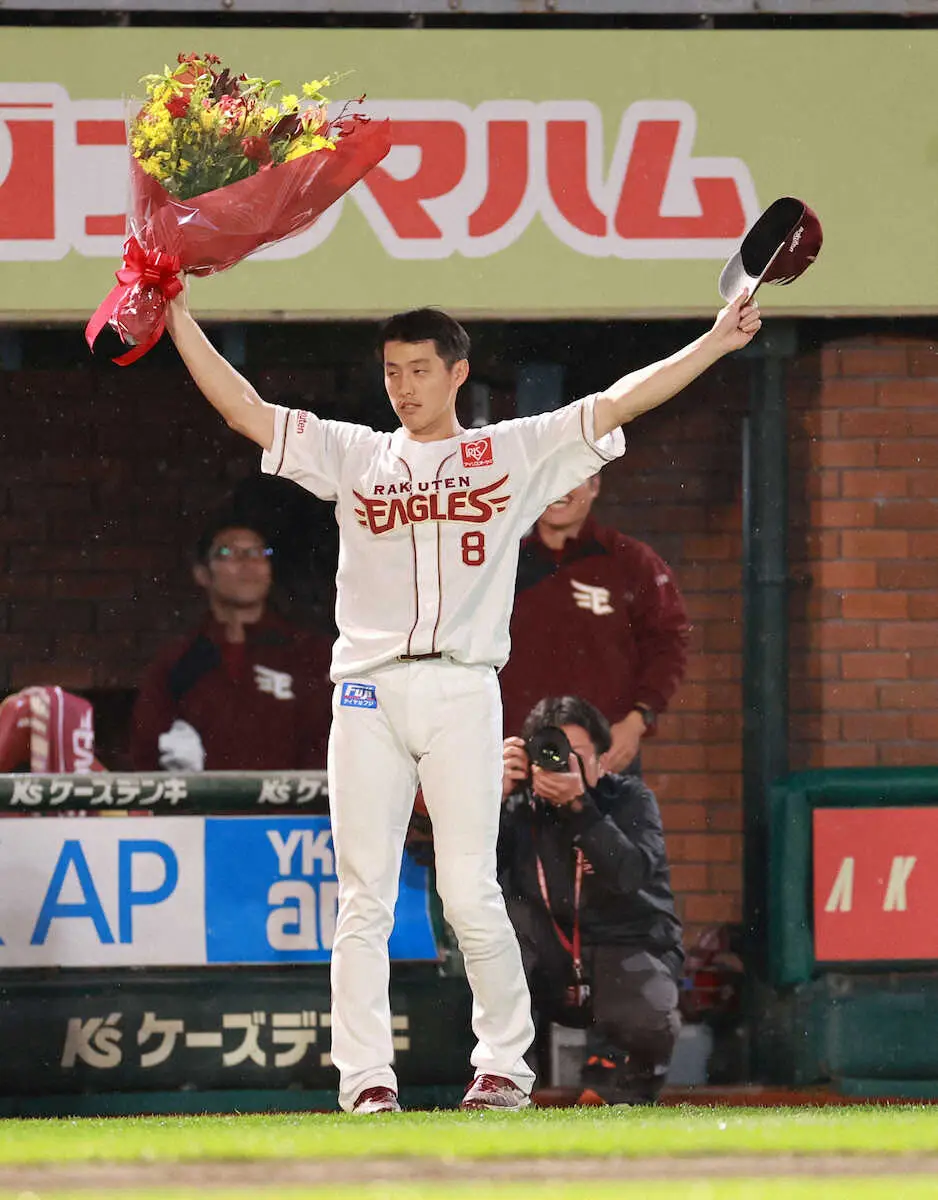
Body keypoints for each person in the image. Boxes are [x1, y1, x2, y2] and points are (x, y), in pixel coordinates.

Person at [163, 283, 760, 1114]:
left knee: (470, 890)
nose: (401, 386)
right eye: (390, 371)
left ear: (457, 374)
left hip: (461, 688)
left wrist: (715, 344)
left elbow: (619, 401)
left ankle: (503, 1072)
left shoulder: (510, 453)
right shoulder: (357, 453)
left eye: (416, 369)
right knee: (364, 896)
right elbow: (245, 410)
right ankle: (367, 1081)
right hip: (367, 691)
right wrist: (177, 318)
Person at [499, 695, 683, 1105]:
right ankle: (505, 1085)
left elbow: (630, 874)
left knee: (646, 1014)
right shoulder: (515, 805)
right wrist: (487, 799)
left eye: (575, 755)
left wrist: (580, 808)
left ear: (602, 762)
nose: (560, 764)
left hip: (626, 951)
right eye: (549, 753)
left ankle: (614, 1090)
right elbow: (454, 866)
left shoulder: (630, 799)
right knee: (498, 941)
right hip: (548, 959)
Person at [499, 474, 689, 773]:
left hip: (604, 761)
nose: (558, 486)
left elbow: (668, 645)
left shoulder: (631, 561)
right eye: (549, 474)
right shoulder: (501, 564)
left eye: (572, 475)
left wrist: (636, 722)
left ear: (596, 485)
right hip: (516, 764)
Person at [130, 516, 333, 775]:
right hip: (205, 811)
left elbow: (333, 740)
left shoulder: (310, 653)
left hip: (295, 811)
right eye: (228, 552)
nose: (247, 562)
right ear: (202, 573)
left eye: (257, 552)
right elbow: (147, 748)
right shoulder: (179, 661)